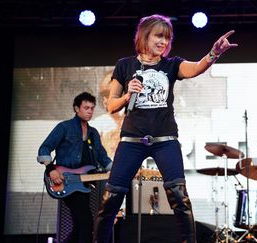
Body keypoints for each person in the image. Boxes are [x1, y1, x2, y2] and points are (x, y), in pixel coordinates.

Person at [93, 14, 237, 243]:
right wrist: (128, 95)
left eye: (167, 38)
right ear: (144, 36)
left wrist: (214, 53)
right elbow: (111, 105)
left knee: (179, 197)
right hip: (132, 141)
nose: (163, 42)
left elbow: (196, 68)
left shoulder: (171, 65)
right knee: (111, 198)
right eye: (158, 36)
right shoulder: (125, 65)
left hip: (165, 140)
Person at [37, 92, 113, 243]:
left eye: (92, 108)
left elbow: (103, 157)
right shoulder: (64, 127)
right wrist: (51, 169)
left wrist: (115, 170)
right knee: (86, 222)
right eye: (86, 108)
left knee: (80, 225)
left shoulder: (93, 133)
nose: (90, 111)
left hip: (83, 183)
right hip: (66, 180)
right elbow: (44, 148)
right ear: (76, 108)